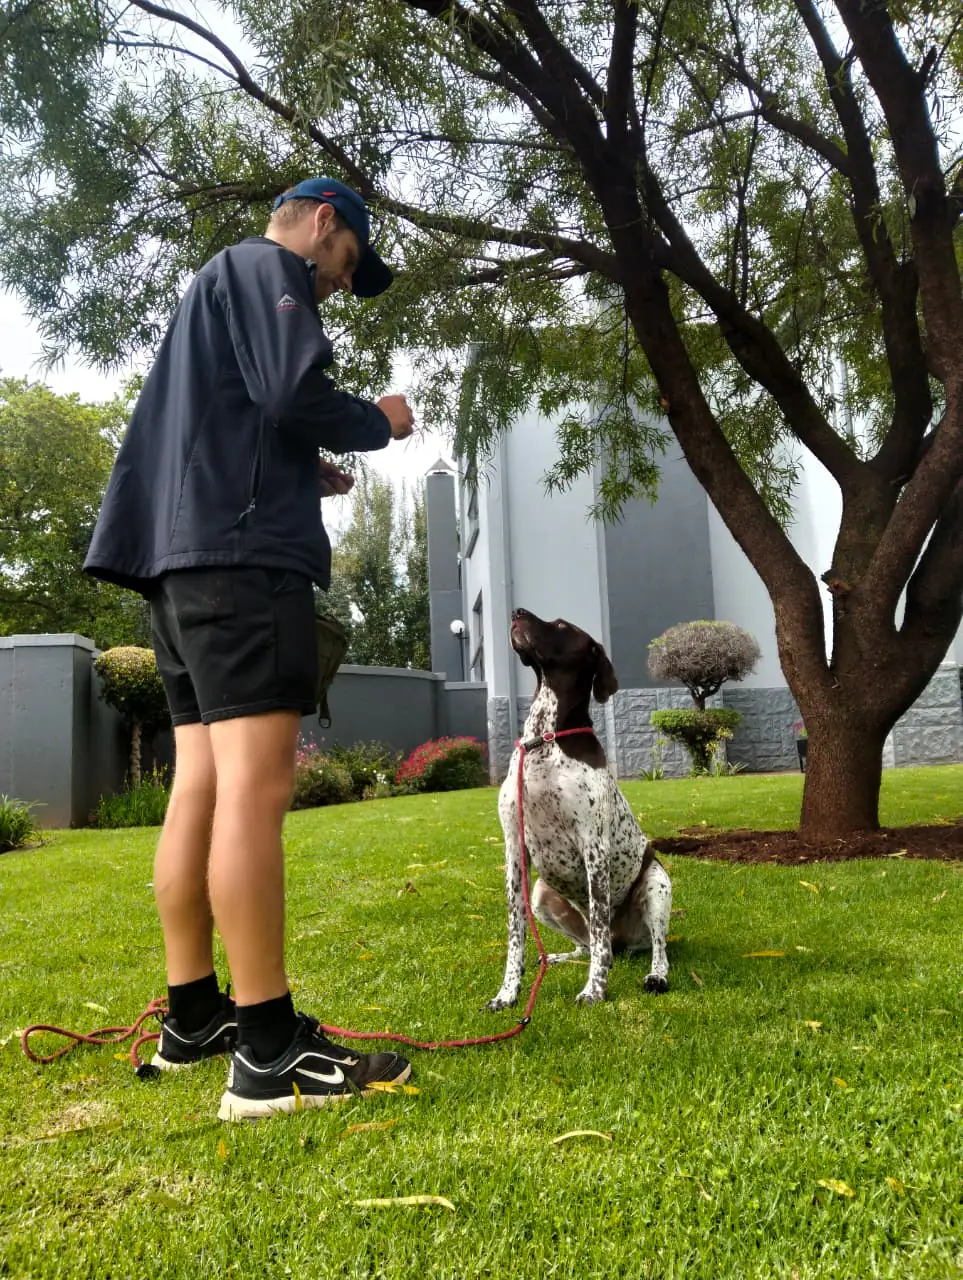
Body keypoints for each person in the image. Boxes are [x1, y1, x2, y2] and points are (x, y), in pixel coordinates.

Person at [84, 177, 415, 1120]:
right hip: (241, 570)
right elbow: (290, 387)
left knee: (199, 782)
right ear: (323, 224)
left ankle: (195, 1017)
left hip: (180, 573)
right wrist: (375, 422)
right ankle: (268, 1049)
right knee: (256, 792)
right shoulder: (269, 267)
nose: (341, 288)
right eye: (349, 265)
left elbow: (229, 420)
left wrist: (298, 469)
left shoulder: (205, 291)